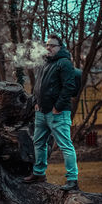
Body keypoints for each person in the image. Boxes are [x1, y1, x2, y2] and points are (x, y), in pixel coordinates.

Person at [23, 34, 79, 191]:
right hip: (41, 112)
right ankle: (39, 173)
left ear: (60, 47)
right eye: (47, 45)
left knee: (65, 146)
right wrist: (35, 102)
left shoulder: (64, 63)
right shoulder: (43, 63)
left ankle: (72, 180)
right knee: (39, 143)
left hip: (57, 113)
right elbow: (37, 86)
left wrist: (58, 107)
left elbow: (69, 87)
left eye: (52, 45)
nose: (49, 47)